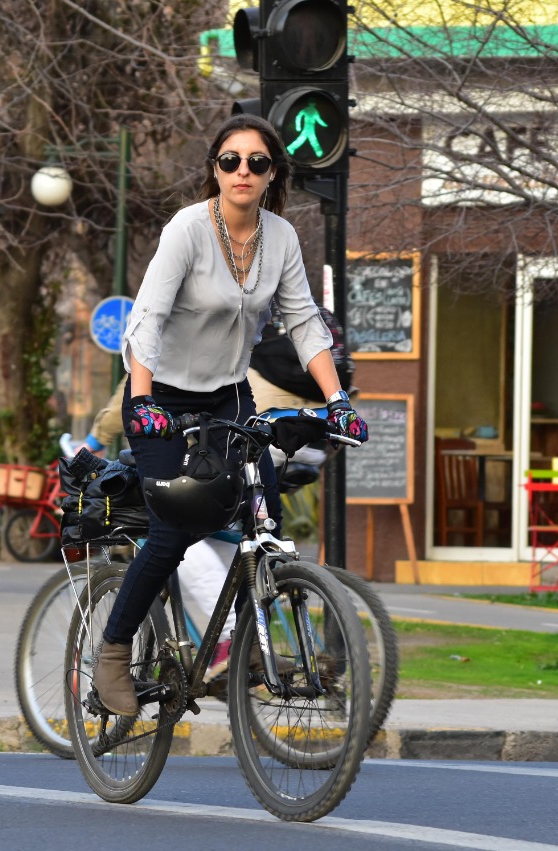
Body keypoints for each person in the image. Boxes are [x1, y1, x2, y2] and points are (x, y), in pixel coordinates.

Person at [93, 114, 369, 716]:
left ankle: (247, 645)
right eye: (230, 161)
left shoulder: (282, 237)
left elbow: (303, 323)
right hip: (162, 393)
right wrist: (140, 402)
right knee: (173, 530)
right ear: (215, 169)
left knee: (259, 516)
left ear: (274, 173)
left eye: (257, 162)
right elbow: (148, 320)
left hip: (228, 393)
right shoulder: (189, 229)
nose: (243, 171)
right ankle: (113, 649)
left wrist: (337, 401)